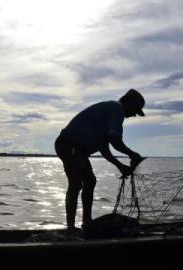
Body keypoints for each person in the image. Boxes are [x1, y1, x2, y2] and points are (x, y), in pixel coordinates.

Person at [54, 89, 145, 232]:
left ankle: (86, 223)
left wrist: (120, 165)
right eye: (135, 110)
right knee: (76, 184)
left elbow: (105, 149)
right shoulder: (117, 109)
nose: (134, 115)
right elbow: (115, 140)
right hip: (69, 145)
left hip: (79, 150)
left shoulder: (107, 114)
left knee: (90, 181)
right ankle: (71, 228)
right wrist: (133, 154)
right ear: (129, 102)